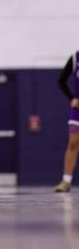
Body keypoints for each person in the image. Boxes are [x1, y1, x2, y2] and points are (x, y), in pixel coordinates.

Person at [54, 51, 79, 192]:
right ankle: (66, 181)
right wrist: (72, 98)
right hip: (77, 110)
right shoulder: (76, 58)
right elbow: (61, 80)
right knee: (73, 143)